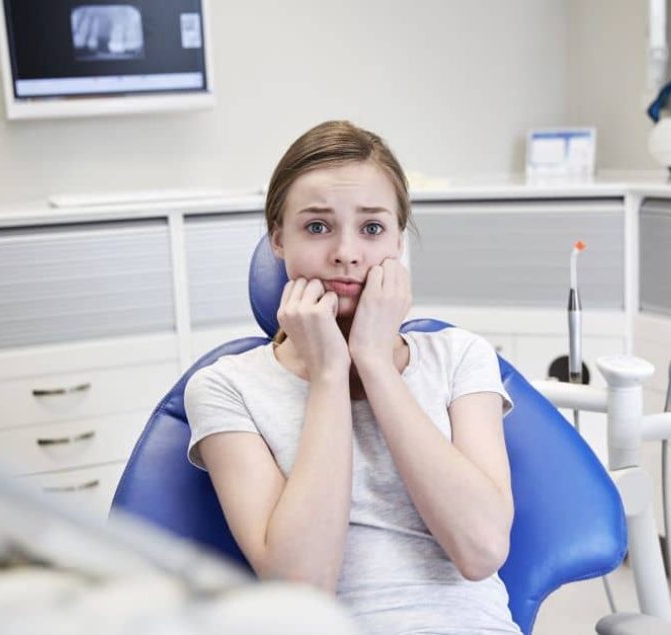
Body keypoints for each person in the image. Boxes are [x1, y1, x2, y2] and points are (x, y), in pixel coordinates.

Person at [184, 120, 520, 634]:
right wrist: (327, 377)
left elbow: (481, 551)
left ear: (399, 241)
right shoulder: (225, 387)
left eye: (372, 228)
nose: (347, 252)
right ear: (278, 239)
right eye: (317, 227)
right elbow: (302, 589)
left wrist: (376, 364)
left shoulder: (460, 356)